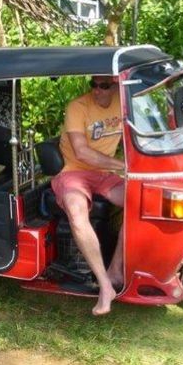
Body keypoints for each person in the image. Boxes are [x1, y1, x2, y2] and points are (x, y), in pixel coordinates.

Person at [51, 75, 125, 316]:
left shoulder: (124, 103)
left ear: (116, 86)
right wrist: (123, 166)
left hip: (104, 174)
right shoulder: (78, 107)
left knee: (141, 203)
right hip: (73, 172)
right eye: (93, 84)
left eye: (103, 85)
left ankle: (115, 270)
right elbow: (81, 153)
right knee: (76, 211)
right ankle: (105, 285)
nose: (96, 90)